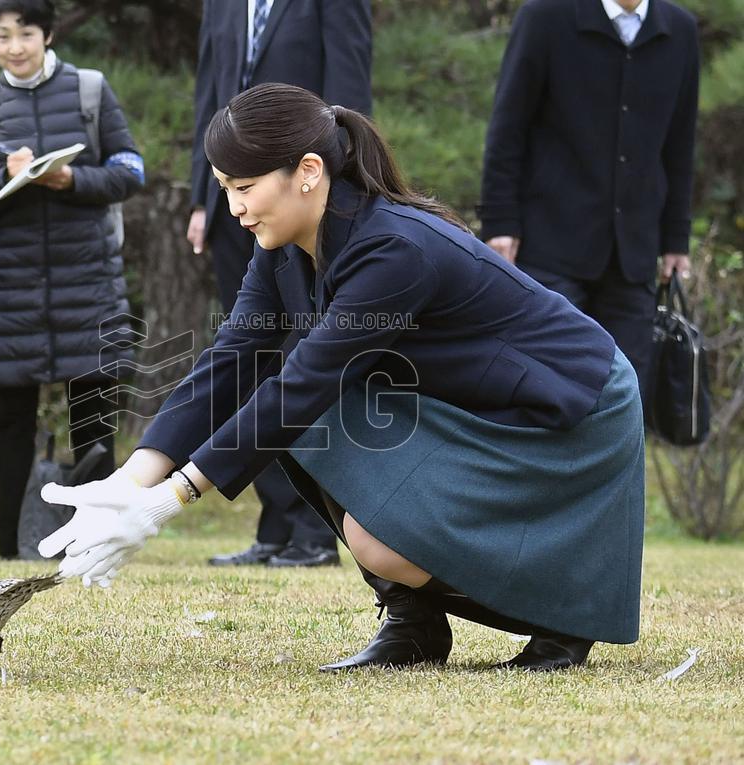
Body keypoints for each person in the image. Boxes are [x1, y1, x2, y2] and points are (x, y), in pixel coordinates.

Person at [38, 84, 647, 673]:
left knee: (306, 414)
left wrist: (168, 501)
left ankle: (562, 616)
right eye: (225, 190)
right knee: (326, 463)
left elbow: (304, 386)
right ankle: (413, 623)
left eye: (245, 188)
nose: (235, 210)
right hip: (468, 399)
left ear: (307, 170)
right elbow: (235, 355)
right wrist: (131, 478)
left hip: (570, 405)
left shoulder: (396, 249)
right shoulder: (281, 243)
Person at [0, 0, 145, 559]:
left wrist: (70, 179)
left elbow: (131, 169)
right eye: (2, 35)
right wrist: (5, 177)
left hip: (87, 276)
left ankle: (97, 542)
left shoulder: (90, 90)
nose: (15, 47)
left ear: (48, 34)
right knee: (12, 414)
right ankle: (12, 543)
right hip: (13, 285)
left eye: (26, 33)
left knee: (92, 407)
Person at [188, 0, 373, 570]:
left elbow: (346, 91)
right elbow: (208, 96)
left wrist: (337, 195)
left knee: (305, 364)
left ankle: (316, 531)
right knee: (249, 361)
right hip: (233, 207)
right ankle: (274, 525)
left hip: (305, 199)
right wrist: (204, 196)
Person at [479, 0, 699, 397]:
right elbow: (507, 128)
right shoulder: (545, 17)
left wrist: (675, 239)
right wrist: (499, 221)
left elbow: (680, 145)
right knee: (545, 391)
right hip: (548, 245)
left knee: (626, 399)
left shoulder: (680, 30)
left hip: (633, 254)